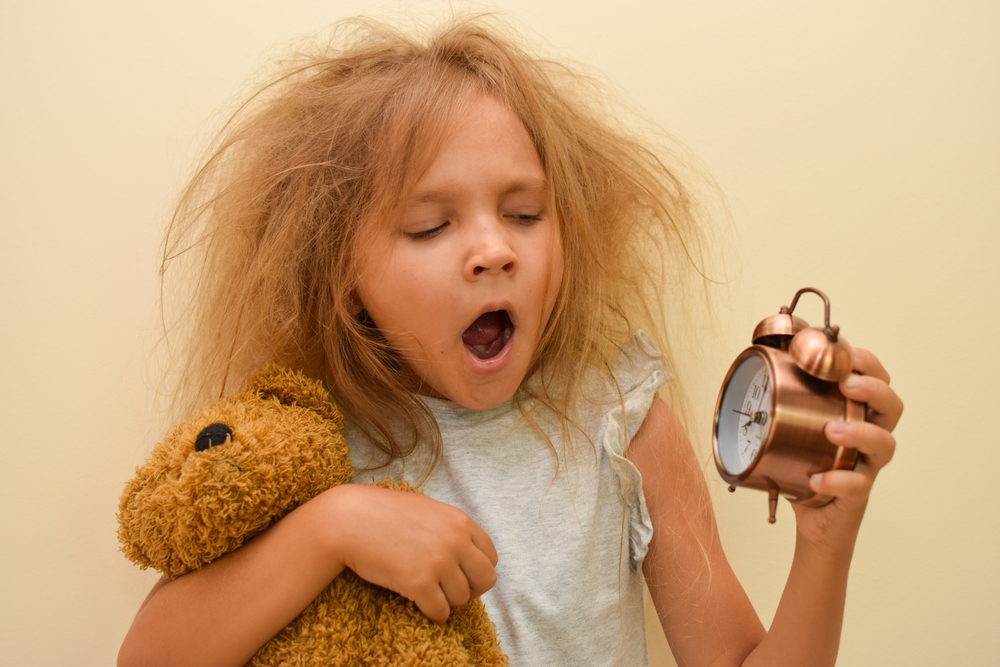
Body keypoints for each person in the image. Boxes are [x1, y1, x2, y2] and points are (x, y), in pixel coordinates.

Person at [118, 16, 903, 667]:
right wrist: (333, 527)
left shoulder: (618, 416)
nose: (495, 249)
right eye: (431, 225)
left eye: (525, 214)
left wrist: (824, 541)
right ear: (342, 269)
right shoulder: (310, 441)